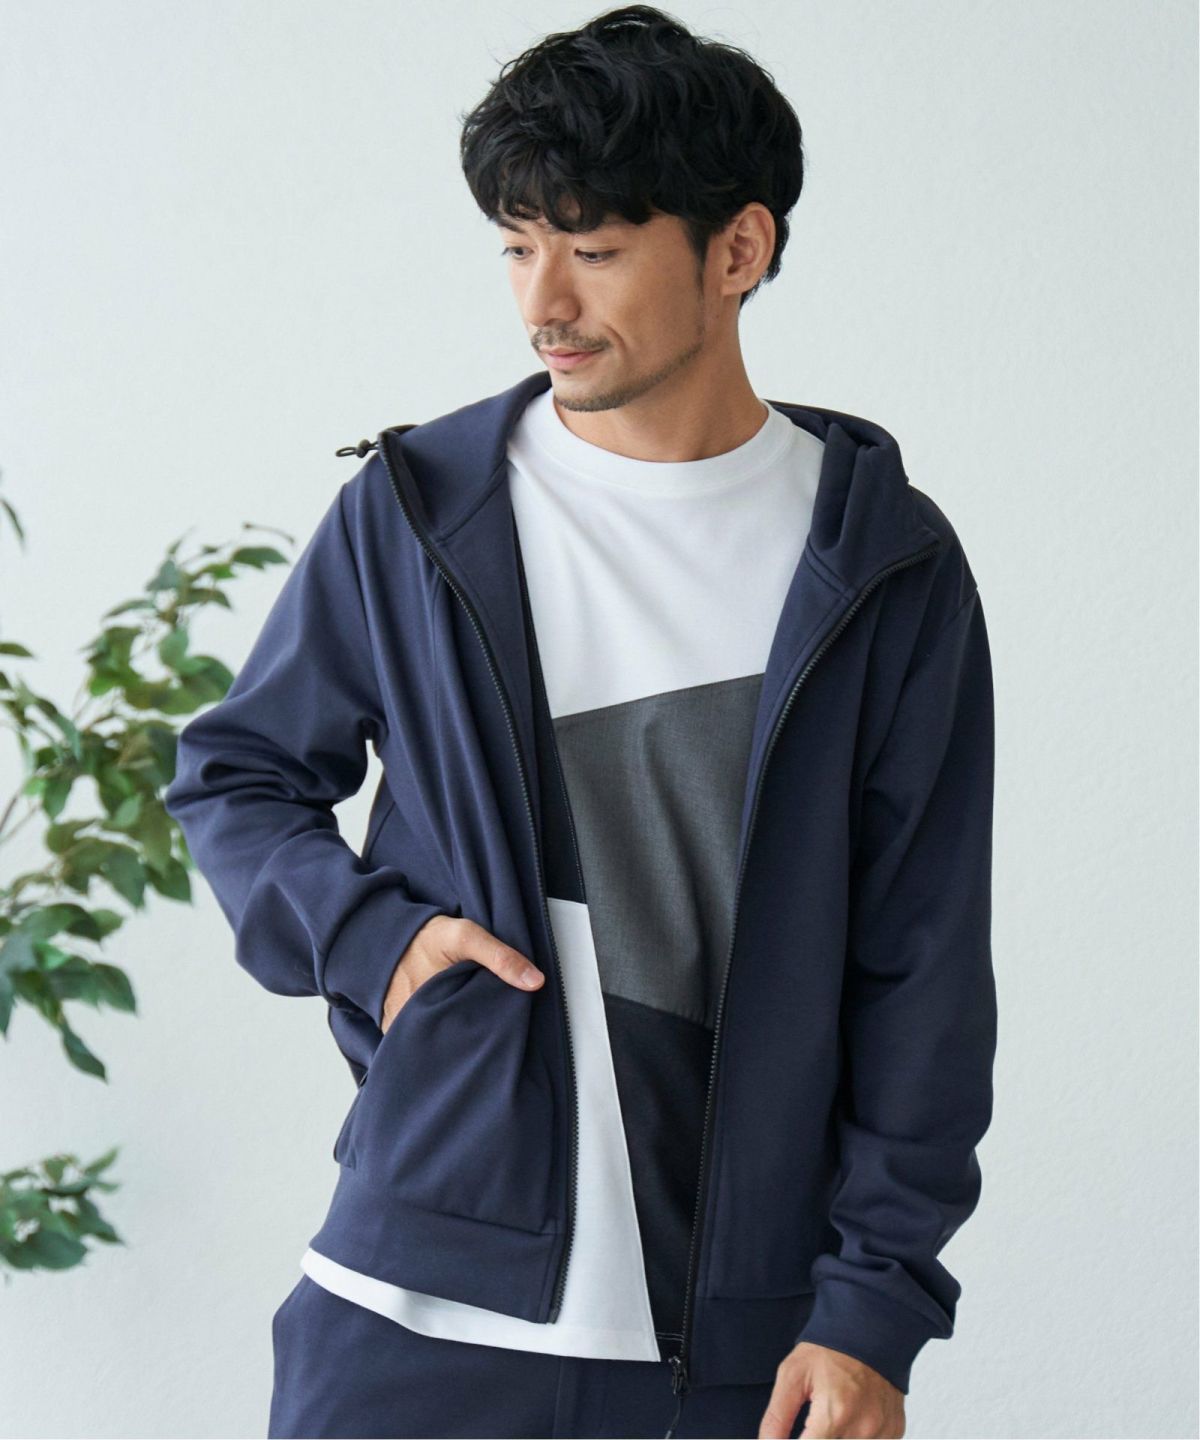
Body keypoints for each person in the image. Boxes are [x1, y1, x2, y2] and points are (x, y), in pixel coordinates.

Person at [163, 5, 998, 1437]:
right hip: (414, 1303)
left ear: (738, 250)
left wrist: (875, 1308)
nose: (541, 301)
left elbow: (922, 966)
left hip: (737, 1351)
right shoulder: (422, 517)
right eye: (515, 246)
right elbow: (237, 774)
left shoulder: (881, 569)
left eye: (594, 251)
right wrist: (372, 941)